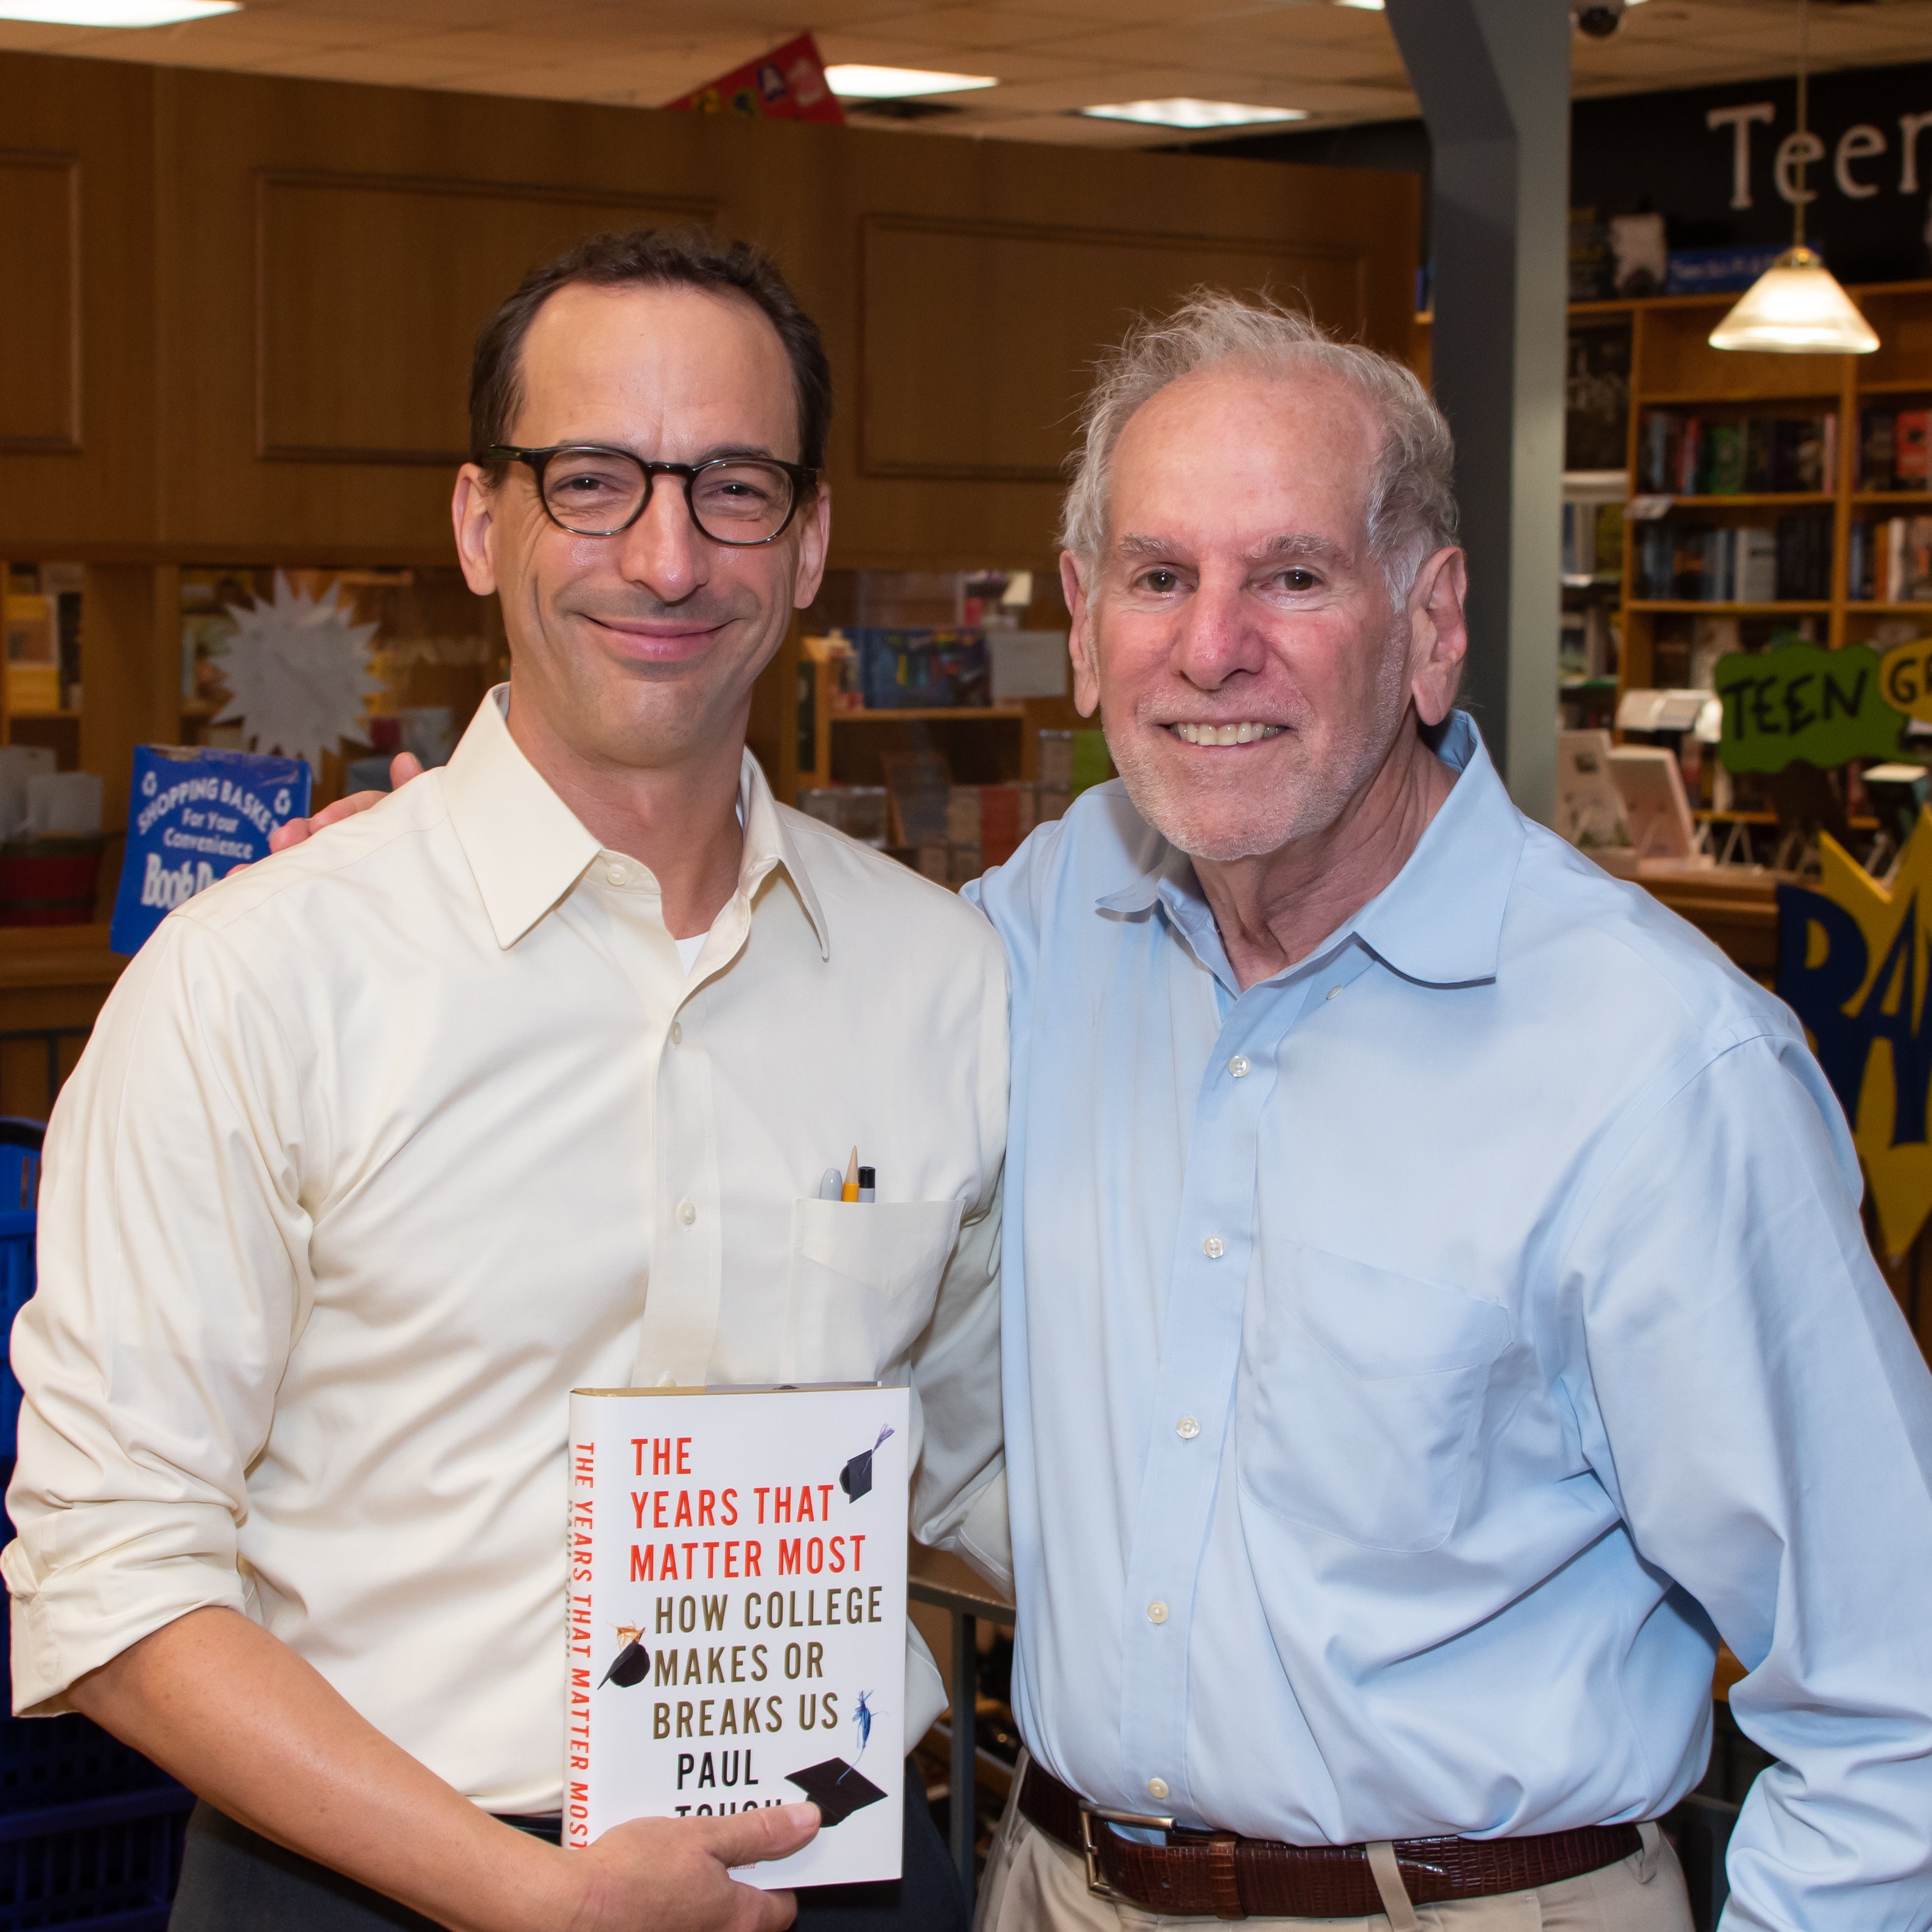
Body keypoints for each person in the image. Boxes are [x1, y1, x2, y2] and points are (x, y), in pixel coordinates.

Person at [2, 229, 1010, 1932]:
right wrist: (517, 1894)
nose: (670, 556)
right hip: (366, 1878)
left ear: (814, 539)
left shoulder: (941, 982)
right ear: (484, 524)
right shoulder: (260, 981)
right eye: (595, 481)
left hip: (833, 1876)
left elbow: (991, 1470)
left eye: (737, 488)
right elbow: (110, 1575)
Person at [962, 295, 1932, 1929]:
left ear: (1432, 622)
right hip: (1055, 1887)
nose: (1212, 647)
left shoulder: (1658, 1069)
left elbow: (1895, 1683)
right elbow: (763, 999)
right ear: (1081, 619)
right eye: (1158, 576)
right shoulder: (1044, 930)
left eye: (1292, 575)